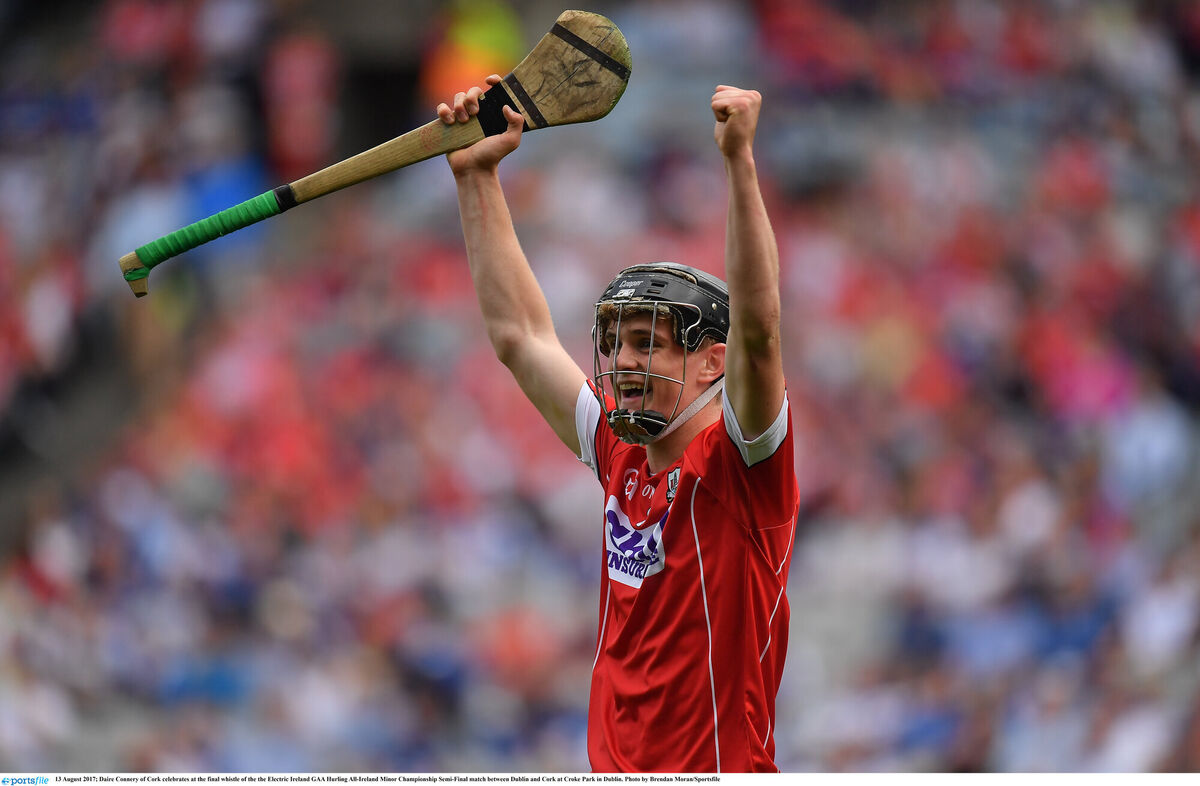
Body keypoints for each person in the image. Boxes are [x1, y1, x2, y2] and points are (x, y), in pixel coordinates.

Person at [437, 77, 798, 773]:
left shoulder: (743, 467)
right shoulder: (619, 456)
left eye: (648, 341)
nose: (624, 361)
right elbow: (519, 335)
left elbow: (759, 331)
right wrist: (477, 177)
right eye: (619, 342)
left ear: (710, 363)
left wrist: (738, 162)